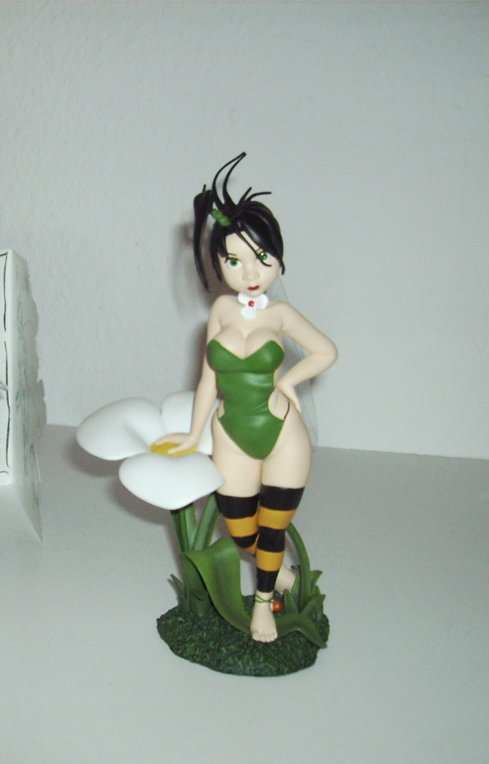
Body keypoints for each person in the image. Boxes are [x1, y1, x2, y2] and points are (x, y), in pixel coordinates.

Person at [159, 153, 337, 642]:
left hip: (282, 434)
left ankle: (263, 606)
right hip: (230, 433)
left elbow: (326, 351)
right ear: (218, 263)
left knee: (273, 529)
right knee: (241, 532)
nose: (249, 271)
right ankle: (280, 576)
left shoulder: (280, 314)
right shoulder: (220, 309)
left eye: (262, 257)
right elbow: (208, 380)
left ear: (278, 256)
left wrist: (288, 381)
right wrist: (193, 434)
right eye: (233, 260)